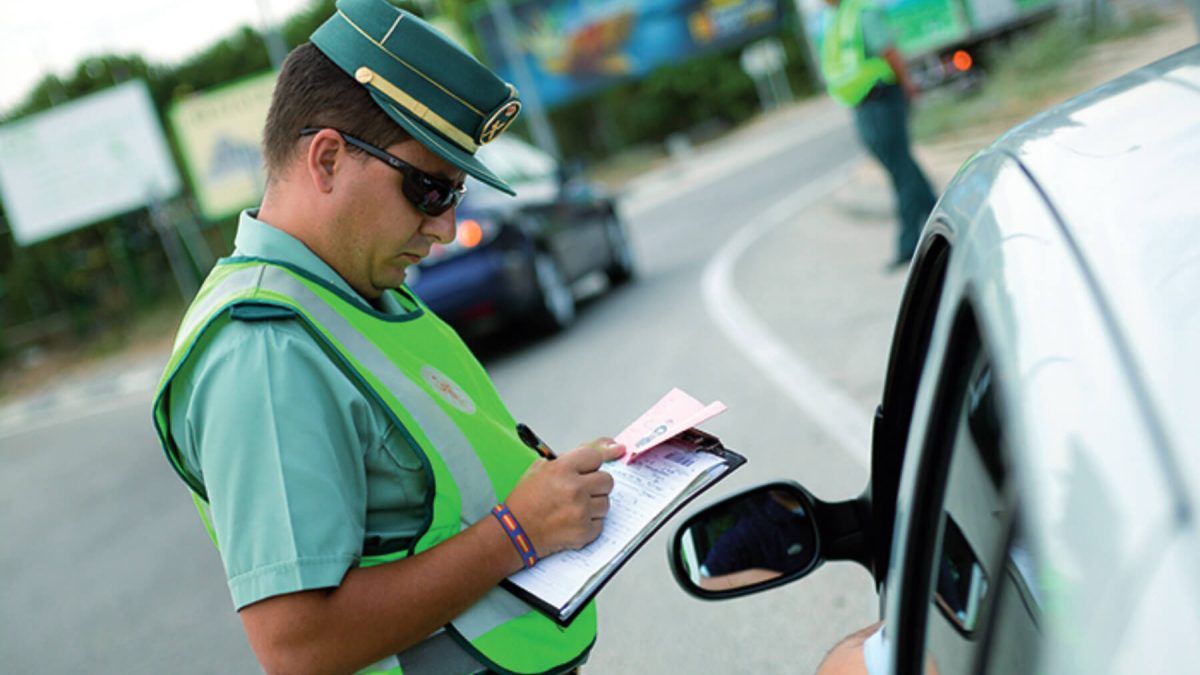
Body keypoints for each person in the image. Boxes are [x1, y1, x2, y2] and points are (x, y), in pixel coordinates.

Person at [151, 1, 625, 673]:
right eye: (430, 190)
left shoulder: (357, 293)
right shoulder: (262, 345)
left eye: (456, 195)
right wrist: (517, 533)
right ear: (327, 160)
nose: (445, 226)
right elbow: (297, 644)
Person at [820, 0, 939, 267]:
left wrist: (907, 83)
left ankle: (909, 243)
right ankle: (940, 213)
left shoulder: (860, 12)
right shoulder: (835, 19)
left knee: (901, 170)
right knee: (902, 167)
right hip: (862, 104)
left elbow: (889, 51)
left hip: (882, 99)